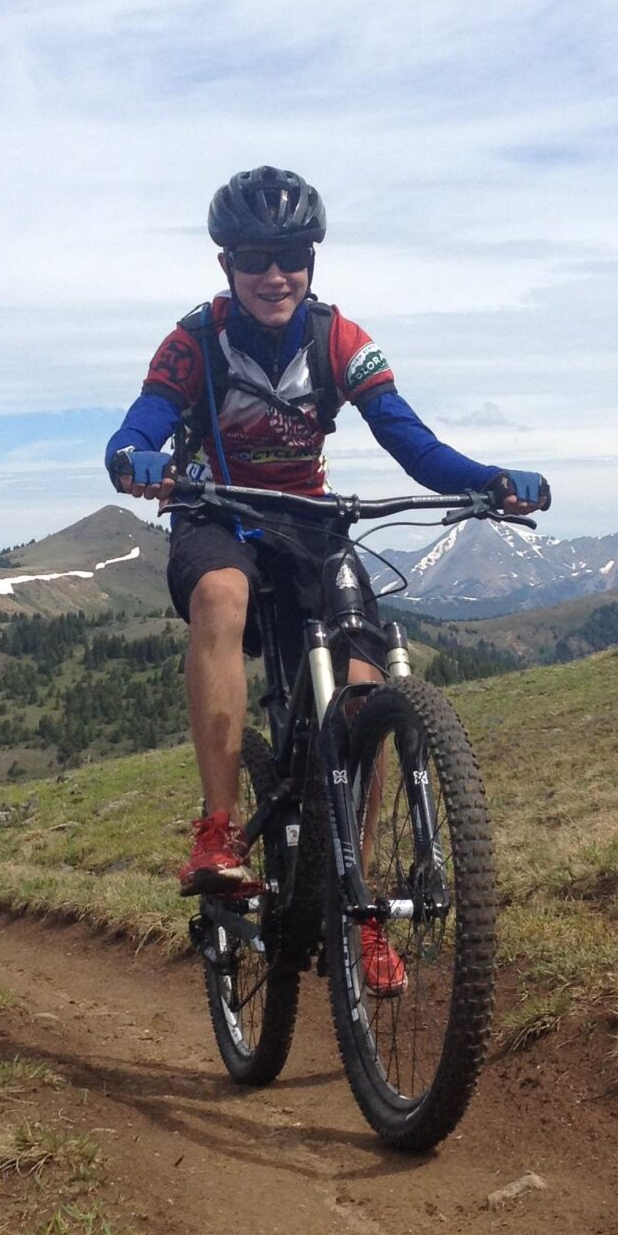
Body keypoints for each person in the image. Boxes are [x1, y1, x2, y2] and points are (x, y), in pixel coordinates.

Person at [106, 165, 550, 940]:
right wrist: (133, 456)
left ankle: (358, 883)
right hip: (218, 515)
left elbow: (409, 438)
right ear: (227, 267)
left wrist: (488, 481)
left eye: (292, 257)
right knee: (220, 595)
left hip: (308, 525)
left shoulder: (339, 339)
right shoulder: (193, 342)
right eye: (254, 259)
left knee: (365, 680)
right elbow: (142, 420)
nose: (274, 275)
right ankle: (217, 827)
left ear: (312, 261)